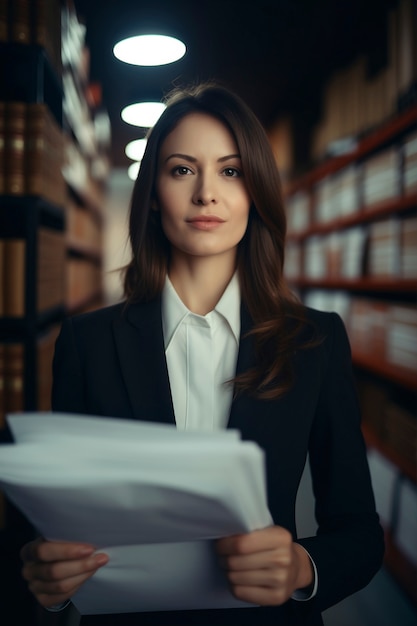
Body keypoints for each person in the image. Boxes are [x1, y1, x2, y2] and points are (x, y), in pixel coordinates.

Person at [20, 83, 384, 626]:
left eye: (231, 171)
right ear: (153, 193)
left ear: (255, 189)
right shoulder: (87, 344)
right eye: (182, 170)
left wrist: (300, 568)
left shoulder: (315, 340)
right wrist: (48, 584)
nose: (206, 194)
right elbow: (56, 532)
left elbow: (358, 531)